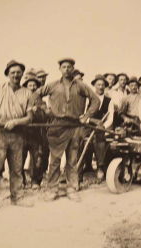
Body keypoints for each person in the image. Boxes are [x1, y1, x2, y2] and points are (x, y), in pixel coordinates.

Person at [31, 58, 100, 202]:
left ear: (73, 68)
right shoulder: (53, 85)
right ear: (60, 69)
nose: (67, 69)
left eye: (69, 67)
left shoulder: (81, 86)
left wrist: (86, 115)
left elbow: (96, 100)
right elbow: (35, 95)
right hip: (57, 125)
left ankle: (71, 188)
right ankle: (53, 189)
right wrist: (45, 108)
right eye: (64, 67)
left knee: (72, 159)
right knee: (55, 159)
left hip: (75, 126)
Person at [0, 60, 34, 210]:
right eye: (12, 72)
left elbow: (29, 117)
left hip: (18, 134)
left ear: (22, 74)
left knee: (17, 169)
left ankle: (17, 197)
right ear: (7, 74)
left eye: (18, 72)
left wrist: (16, 122)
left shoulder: (27, 93)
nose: (16, 75)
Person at [79, 74, 114, 181]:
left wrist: (103, 126)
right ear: (94, 85)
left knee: (100, 140)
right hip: (87, 125)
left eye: (103, 85)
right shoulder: (87, 99)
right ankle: (78, 170)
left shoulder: (109, 100)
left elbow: (110, 118)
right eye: (98, 84)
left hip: (101, 127)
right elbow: (82, 116)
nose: (100, 87)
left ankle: (100, 167)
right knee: (79, 138)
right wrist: (92, 121)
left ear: (105, 86)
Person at [21, 74, 46, 189]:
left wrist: (38, 111)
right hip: (22, 132)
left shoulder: (41, 102)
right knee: (19, 157)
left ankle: (35, 181)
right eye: (29, 85)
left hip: (36, 133)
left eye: (34, 85)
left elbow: (45, 117)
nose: (32, 87)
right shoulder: (20, 99)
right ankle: (20, 179)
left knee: (37, 156)